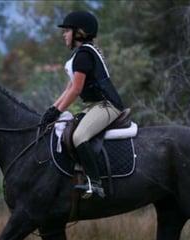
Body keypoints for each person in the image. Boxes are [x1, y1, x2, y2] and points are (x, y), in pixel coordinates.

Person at [41, 10, 126, 199]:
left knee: (79, 136)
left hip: (107, 105)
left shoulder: (84, 56)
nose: (64, 34)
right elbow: (68, 89)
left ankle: (96, 183)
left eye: (67, 31)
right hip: (95, 105)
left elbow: (76, 90)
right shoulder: (79, 55)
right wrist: (52, 110)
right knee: (67, 131)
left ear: (79, 32)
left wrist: (57, 111)